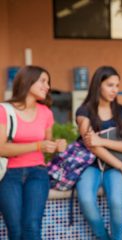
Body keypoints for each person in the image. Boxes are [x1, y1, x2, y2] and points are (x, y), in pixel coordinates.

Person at [0, 66, 67, 240]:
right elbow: (1, 148)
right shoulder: (4, 110)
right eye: (43, 81)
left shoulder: (46, 113)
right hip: (8, 175)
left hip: (37, 173)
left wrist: (56, 146)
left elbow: (46, 148)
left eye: (48, 82)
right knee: (15, 231)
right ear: (27, 81)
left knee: (32, 227)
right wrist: (38, 146)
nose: (48, 86)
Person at [75, 66, 122, 240]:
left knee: (117, 203)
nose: (115, 90)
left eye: (117, 85)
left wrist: (101, 140)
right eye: (110, 85)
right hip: (91, 165)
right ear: (98, 85)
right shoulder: (84, 112)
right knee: (86, 200)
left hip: (115, 167)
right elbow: (90, 145)